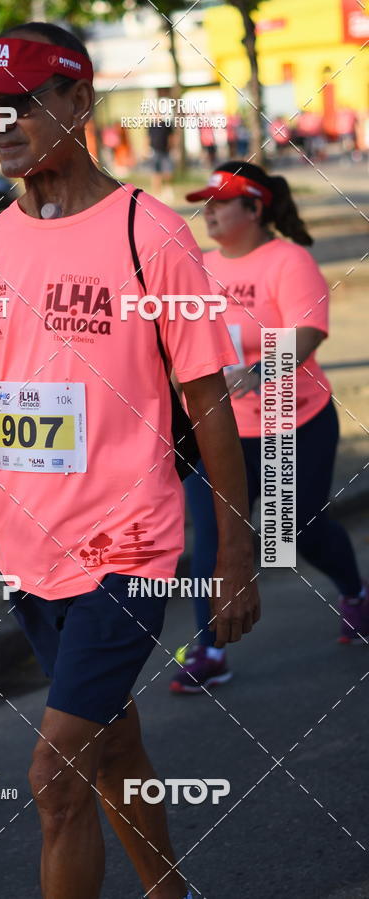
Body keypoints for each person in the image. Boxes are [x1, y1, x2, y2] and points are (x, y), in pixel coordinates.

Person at [0, 25, 260, 899]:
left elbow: (207, 401)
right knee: (111, 747)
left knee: (55, 774)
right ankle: (169, 891)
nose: (1, 125)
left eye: (23, 104)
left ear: (79, 102)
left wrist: (235, 552)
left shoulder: (150, 233)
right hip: (30, 551)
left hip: (130, 548)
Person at [170, 160, 368, 694]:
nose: (209, 213)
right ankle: (210, 650)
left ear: (255, 208)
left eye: (221, 203)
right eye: (206, 204)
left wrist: (257, 373)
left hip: (291, 422)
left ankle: (355, 594)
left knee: (296, 528)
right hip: (216, 430)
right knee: (212, 539)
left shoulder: (288, 260)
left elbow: (307, 334)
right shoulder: (197, 268)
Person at [147, 114, 174, 201]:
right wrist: (146, 149)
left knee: (167, 173)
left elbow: (171, 137)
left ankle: (168, 190)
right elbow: (148, 138)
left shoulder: (167, 125)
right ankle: (157, 193)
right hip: (154, 152)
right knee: (155, 173)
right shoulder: (151, 126)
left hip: (165, 152)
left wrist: (171, 148)